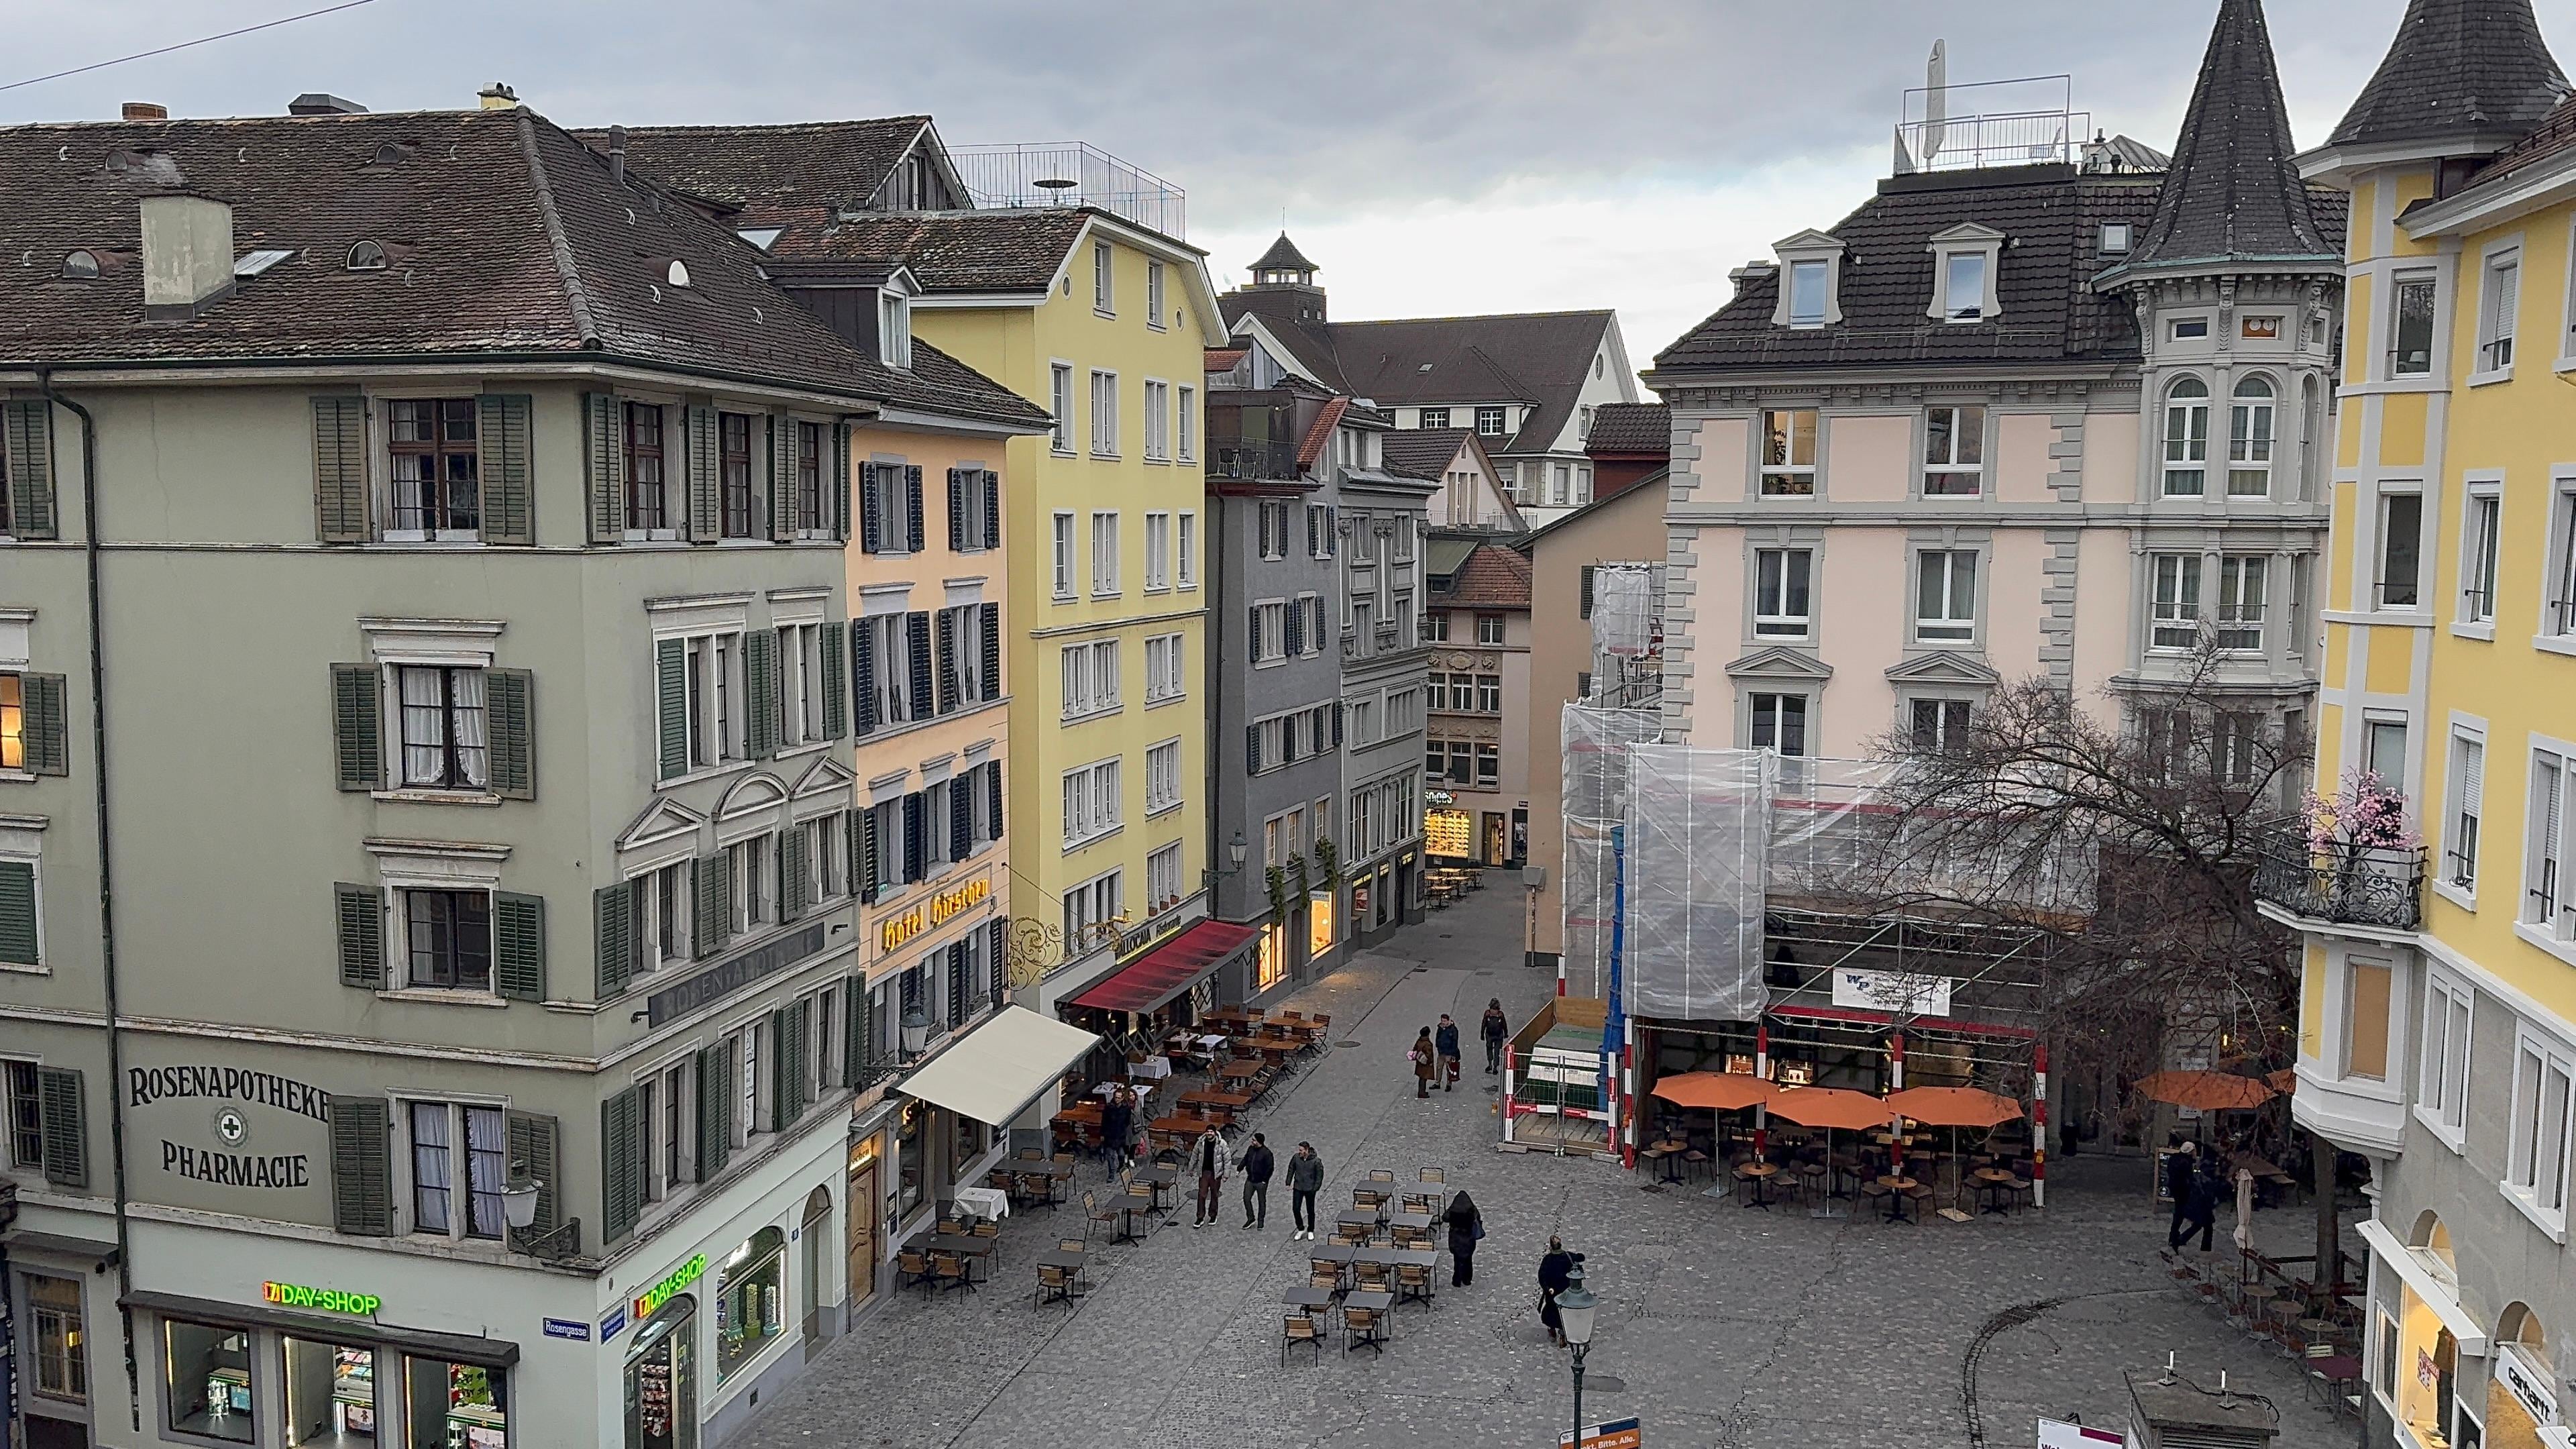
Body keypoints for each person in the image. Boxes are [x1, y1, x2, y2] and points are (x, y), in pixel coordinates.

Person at [1538, 1236, 1576, 1347]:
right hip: (1565, 1291)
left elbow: (1542, 1276)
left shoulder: (1548, 1260)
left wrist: (1547, 1288)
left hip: (1552, 1292)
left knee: (1551, 1311)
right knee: (1563, 1313)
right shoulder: (1567, 1257)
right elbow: (1579, 1259)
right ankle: (1562, 1335)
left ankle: (1553, 1331)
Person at [2161, 1132, 2196, 1250]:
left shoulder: (2174, 1159)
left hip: (2175, 1189)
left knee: (2179, 1213)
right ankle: (2177, 1239)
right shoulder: (2186, 1163)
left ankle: (2174, 1237)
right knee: (2184, 1215)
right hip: (2184, 1191)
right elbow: (2190, 1179)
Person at [2180, 1155, 2222, 1252]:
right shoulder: (2208, 1182)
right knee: (2207, 1228)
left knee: (2199, 1225)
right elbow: (2209, 1198)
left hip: (2199, 1207)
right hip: (2202, 1207)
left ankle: (2182, 1239)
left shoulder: (2200, 1178)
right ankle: (2205, 1248)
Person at [1444, 1190, 1485, 1287]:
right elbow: (1478, 1220)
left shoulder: (1453, 1211)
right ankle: (1467, 1279)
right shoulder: (1472, 1211)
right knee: (1468, 1260)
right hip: (1468, 1238)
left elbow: (1445, 1218)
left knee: (1457, 1260)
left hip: (1456, 1239)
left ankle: (1457, 1280)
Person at [1286, 1140, 1324, 1240]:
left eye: (1301, 1150)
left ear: (1307, 1150)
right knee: (1296, 1208)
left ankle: (1311, 1230)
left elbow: (1319, 1176)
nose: (1299, 1152)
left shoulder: (1316, 1161)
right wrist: (1288, 1182)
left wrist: (1315, 1188)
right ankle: (1300, 1228)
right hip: (1298, 1187)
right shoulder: (1296, 1158)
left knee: (1310, 1210)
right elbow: (1291, 1168)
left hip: (1309, 1188)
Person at [1191, 1124, 1226, 1228]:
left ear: (1215, 1133)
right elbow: (1194, 1155)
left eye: (1211, 1132)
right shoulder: (1201, 1143)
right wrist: (1191, 1168)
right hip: (1204, 1172)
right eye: (1208, 1131)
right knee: (1202, 1195)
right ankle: (1200, 1217)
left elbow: (1227, 1159)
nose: (1209, 1133)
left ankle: (1213, 1215)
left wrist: (1226, 1174)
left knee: (1215, 1195)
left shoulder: (1221, 1144)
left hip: (1216, 1173)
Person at [1238, 1132, 1275, 1230]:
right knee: (1246, 1198)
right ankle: (1251, 1218)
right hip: (1250, 1179)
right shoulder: (1251, 1149)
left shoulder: (1267, 1153)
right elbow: (1246, 1159)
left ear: (1258, 1142)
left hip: (1261, 1182)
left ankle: (1261, 1222)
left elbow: (1270, 1168)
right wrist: (1239, 1169)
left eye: (1254, 1140)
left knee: (1261, 1202)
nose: (1252, 1141)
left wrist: (1265, 1180)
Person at [1101, 1087, 1132, 1166]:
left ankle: (1121, 1166)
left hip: (1121, 1135)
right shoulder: (1109, 1108)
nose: (1117, 1099)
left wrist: (1124, 1129)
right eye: (1116, 1097)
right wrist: (1103, 1134)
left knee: (1121, 1154)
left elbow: (1127, 1121)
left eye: (1119, 1098)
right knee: (1110, 1156)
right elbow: (1104, 1121)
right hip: (1110, 1135)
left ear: (1122, 1098)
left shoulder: (1126, 1109)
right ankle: (1111, 1173)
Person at [1436, 1015, 1462, 1091]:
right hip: (1442, 1052)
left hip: (1449, 1052)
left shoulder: (1453, 1030)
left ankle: (1449, 1084)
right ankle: (1437, 1083)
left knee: (1449, 1068)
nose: (1443, 1023)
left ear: (1448, 1021)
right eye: (1442, 1021)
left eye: (1444, 1021)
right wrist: (1438, 1047)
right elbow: (1437, 1038)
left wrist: (1453, 1053)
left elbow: (1455, 1042)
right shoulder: (1440, 1028)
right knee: (1439, 1067)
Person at [1481, 999, 1509, 1074]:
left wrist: (1482, 1034)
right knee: (1497, 1051)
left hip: (1490, 1035)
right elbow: (1504, 1025)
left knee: (1490, 1049)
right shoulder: (1500, 1014)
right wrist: (1506, 1033)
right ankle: (1495, 1067)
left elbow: (1484, 1024)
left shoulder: (1487, 1013)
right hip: (1499, 1035)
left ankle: (1490, 1065)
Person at [1411, 1027, 1436, 1099]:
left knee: (1421, 1078)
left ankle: (1421, 1091)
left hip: (1419, 1063)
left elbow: (1415, 1049)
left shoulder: (1419, 1041)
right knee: (1424, 1079)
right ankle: (1422, 1093)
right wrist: (1430, 1061)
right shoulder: (1427, 1044)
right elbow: (1429, 1055)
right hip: (1425, 1064)